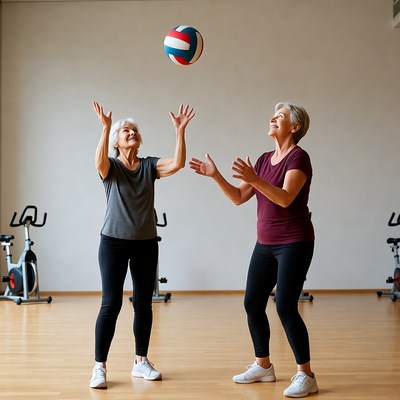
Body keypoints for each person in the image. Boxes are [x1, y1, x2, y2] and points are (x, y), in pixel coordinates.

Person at [189, 102, 318, 398]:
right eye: (273, 115)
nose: (273, 118)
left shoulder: (299, 157)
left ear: (294, 127)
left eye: (281, 116)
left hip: (295, 242)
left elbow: (285, 199)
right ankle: (263, 366)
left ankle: (306, 375)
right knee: (252, 303)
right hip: (265, 244)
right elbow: (238, 197)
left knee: (285, 306)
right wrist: (215, 175)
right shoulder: (262, 160)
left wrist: (255, 179)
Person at [90, 101, 195, 389]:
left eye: (134, 130)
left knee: (144, 304)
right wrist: (105, 128)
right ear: (117, 142)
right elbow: (98, 163)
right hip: (112, 243)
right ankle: (99, 367)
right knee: (110, 304)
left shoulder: (149, 165)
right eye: (126, 130)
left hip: (146, 243)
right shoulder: (111, 167)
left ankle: (141, 362)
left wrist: (180, 131)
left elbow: (177, 164)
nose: (132, 132)